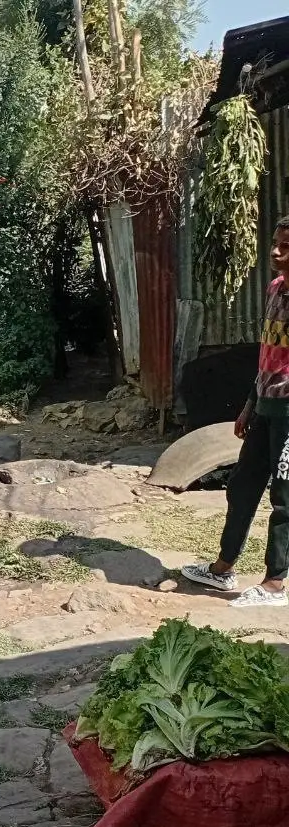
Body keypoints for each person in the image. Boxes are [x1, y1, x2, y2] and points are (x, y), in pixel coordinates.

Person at [182, 215, 289, 607]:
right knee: (242, 485)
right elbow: (267, 354)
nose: (275, 252)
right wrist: (249, 404)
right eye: (275, 243)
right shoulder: (276, 288)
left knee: (284, 496)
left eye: (286, 246)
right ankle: (222, 570)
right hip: (265, 403)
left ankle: (275, 583)